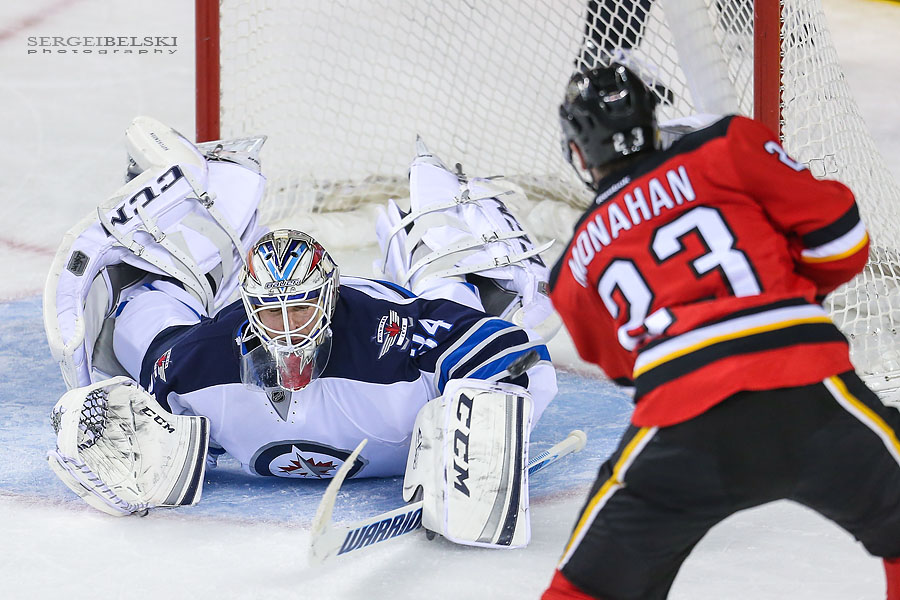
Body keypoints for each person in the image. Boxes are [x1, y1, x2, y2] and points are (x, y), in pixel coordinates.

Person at [44, 117, 558, 543]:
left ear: (329, 299)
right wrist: (114, 434)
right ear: (247, 307)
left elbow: (514, 352)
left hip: (395, 309)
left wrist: (488, 427)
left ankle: (441, 231)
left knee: (453, 300)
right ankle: (195, 223)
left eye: (302, 307)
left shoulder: (391, 332)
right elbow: (155, 363)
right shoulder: (205, 355)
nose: (287, 329)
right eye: (271, 311)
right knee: (139, 315)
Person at [542, 63, 900, 599]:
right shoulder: (728, 145)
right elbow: (844, 244)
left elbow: (625, 368)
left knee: (583, 589)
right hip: (807, 392)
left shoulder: (572, 268)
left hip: (683, 422)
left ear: (578, 151)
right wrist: (787, 292)